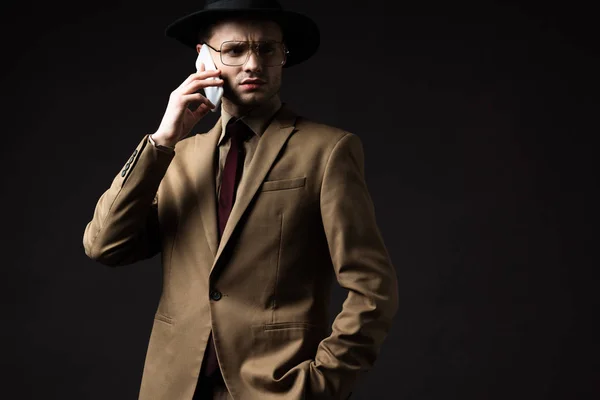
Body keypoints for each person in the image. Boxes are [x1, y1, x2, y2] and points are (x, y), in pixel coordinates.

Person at [82, 0, 399, 399]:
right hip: (173, 387)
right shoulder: (177, 156)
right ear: (203, 58)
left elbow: (373, 288)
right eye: (234, 50)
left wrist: (323, 382)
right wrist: (162, 140)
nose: (253, 64)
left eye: (267, 49)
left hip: (277, 388)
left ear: (283, 57)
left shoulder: (328, 150)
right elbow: (104, 245)